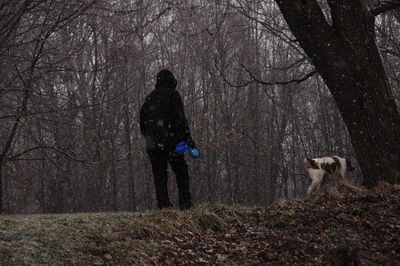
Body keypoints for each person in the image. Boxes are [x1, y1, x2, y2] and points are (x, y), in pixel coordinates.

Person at [139, 69, 195, 210]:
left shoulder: (149, 98)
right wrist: (187, 138)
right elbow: (180, 119)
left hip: (153, 145)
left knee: (159, 176)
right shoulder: (173, 95)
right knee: (181, 171)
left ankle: (164, 206)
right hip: (171, 142)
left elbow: (143, 121)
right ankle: (185, 203)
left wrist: (150, 138)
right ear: (171, 80)